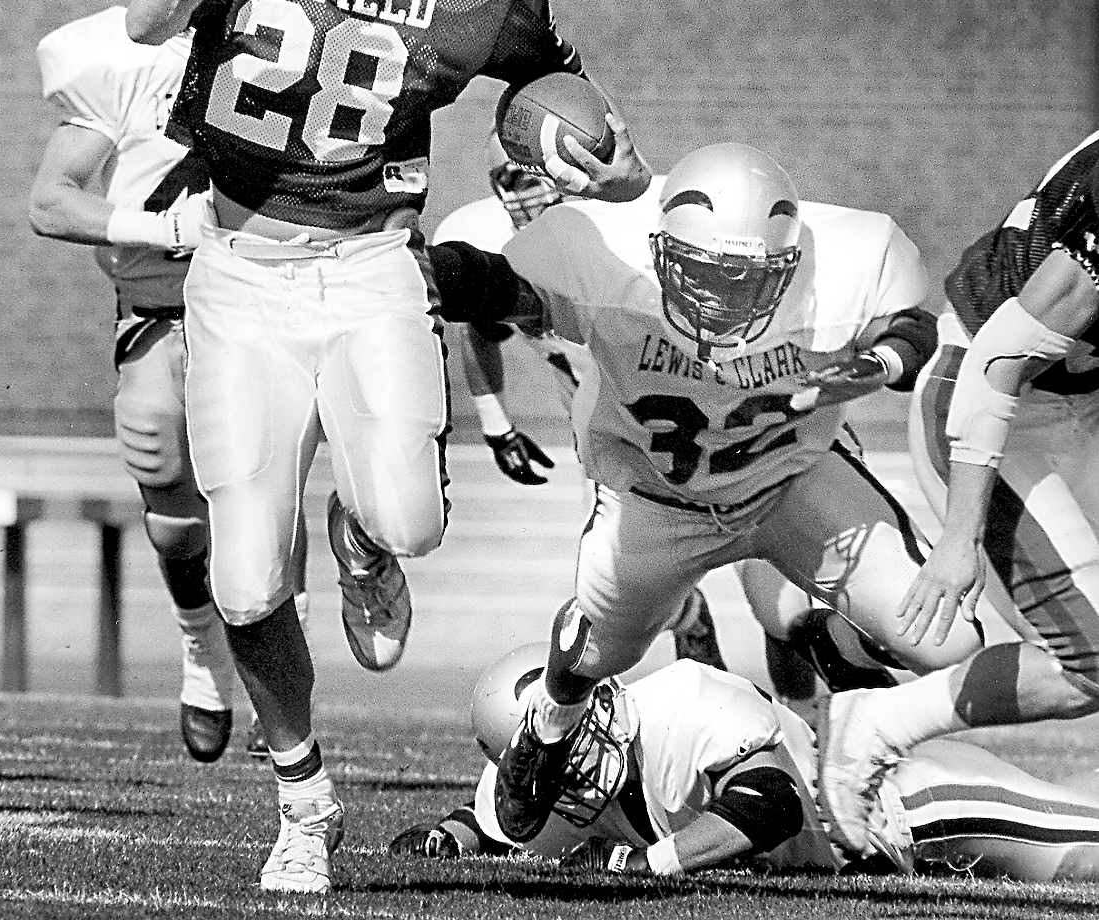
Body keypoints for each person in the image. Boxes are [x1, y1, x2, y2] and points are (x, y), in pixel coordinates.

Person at [122, 0, 650, 893]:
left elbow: (551, 83)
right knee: (249, 582)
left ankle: (362, 538)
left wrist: (601, 163)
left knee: (408, 523)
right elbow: (146, 17)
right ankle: (304, 803)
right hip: (241, 270)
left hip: (371, 265)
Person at [427, 139, 989, 844]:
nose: (713, 298)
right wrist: (423, 270)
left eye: (741, 281)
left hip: (788, 484)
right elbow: (493, 288)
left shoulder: (846, 260)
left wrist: (877, 363)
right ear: (658, 248)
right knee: (599, 656)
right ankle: (550, 723)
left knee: (946, 642)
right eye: (695, 273)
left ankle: (850, 701)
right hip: (657, 501)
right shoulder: (601, 259)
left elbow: (910, 326)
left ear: (788, 263)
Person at [434, 138, 893, 701]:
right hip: (634, 454)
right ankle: (707, 657)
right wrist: (495, 422)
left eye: (539, 174)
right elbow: (483, 324)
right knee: (637, 605)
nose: (530, 192)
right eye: (514, 177)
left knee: (784, 608)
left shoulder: (630, 231)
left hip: (764, 431)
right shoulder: (495, 242)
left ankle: (811, 724)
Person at [30, 6, 308, 762]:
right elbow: (50, 201)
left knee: (265, 480)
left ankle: (283, 668)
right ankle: (202, 649)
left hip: (257, 305)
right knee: (157, 458)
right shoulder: (124, 68)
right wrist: (166, 231)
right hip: (158, 304)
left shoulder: (296, 56)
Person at [818, 131, 1099, 854]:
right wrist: (958, 539)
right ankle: (875, 726)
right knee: (1090, 663)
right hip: (989, 397)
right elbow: (997, 364)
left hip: (1076, 395)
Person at [388, 642, 1099, 883]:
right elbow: (488, 820)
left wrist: (644, 864)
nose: (553, 783)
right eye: (536, 770)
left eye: (557, 758)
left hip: (908, 809)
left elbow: (770, 802)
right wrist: (447, 838)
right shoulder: (544, 773)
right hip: (848, 850)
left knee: (1085, 850)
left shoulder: (683, 699)